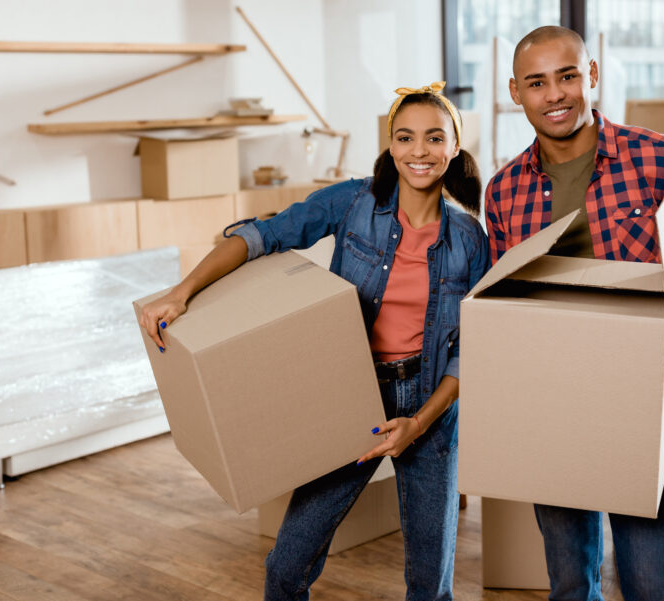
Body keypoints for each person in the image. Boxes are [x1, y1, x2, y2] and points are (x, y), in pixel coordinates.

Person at [139, 81, 489, 601]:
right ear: (390, 146)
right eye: (406, 137)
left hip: (430, 406)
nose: (420, 151)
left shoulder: (469, 239)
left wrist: (419, 422)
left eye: (434, 139)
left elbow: (471, 349)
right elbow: (264, 236)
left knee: (430, 584)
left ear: (453, 148)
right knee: (287, 565)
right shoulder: (353, 203)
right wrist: (182, 291)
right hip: (353, 395)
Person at [485, 26, 664, 601]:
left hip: (645, 406)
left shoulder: (661, 159)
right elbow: (506, 303)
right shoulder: (502, 191)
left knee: (652, 586)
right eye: (537, 82)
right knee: (571, 586)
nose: (555, 94)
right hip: (553, 411)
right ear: (515, 92)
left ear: (592, 76)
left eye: (568, 76)